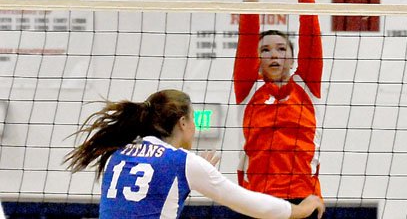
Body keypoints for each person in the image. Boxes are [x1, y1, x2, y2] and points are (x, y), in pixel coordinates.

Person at [63, 89, 324, 219]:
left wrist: (192, 177)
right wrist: (300, 210)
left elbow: (147, 204)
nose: (195, 127)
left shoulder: (119, 153)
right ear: (183, 123)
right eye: (193, 119)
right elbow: (252, 204)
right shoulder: (183, 162)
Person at [233, 0, 323, 216]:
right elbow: (248, 30)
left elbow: (310, 28)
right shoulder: (248, 90)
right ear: (256, 61)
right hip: (257, 200)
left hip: (305, 199)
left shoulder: (306, 87)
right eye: (266, 50)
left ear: (293, 57)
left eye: (281, 49)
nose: (274, 54)